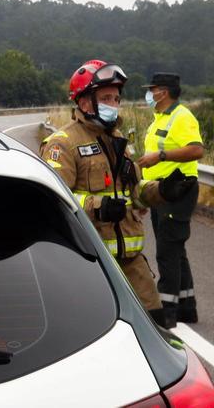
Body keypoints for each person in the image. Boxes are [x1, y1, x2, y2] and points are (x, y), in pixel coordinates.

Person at [39, 60, 195, 327]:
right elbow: (54, 200)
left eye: (116, 98)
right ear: (84, 101)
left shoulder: (117, 139)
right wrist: (98, 205)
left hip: (134, 267)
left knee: (157, 333)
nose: (114, 104)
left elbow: (133, 192)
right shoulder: (62, 144)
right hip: (92, 266)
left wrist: (162, 191)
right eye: (106, 98)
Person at [137, 72, 205, 328]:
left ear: (163, 92)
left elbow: (197, 149)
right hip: (160, 192)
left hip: (178, 190)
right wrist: (144, 196)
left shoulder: (182, 116)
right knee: (176, 250)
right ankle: (187, 308)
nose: (149, 94)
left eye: (152, 89)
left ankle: (166, 312)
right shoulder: (159, 118)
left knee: (167, 251)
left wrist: (161, 156)